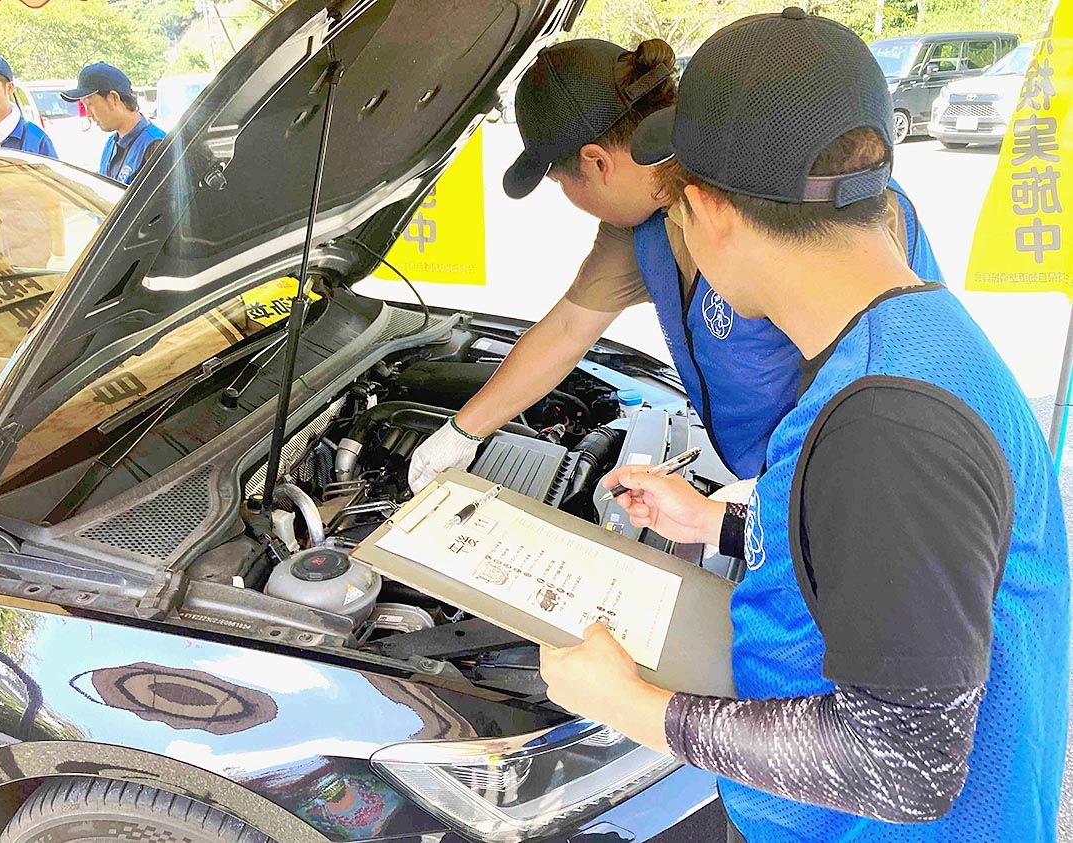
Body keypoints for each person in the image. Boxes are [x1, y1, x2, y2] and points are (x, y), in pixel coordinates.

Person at [538, 10, 1069, 842]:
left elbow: (906, 761)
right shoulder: (906, 340)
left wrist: (634, 705)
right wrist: (723, 524)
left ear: (708, 212)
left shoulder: (887, 425)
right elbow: (885, 566)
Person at [407, 37, 941, 492]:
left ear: (596, 161)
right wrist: (462, 432)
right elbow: (569, 328)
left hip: (851, 485)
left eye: (561, 182)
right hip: (764, 479)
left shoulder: (788, 201)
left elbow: (881, 377)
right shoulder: (637, 226)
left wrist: (785, 496)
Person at [61, 62, 166, 186]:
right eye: (83, 105)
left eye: (89, 104)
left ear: (113, 98)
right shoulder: (111, 143)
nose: (88, 113)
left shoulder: (156, 146)